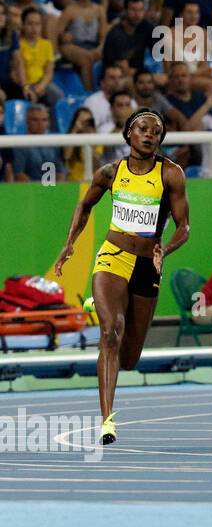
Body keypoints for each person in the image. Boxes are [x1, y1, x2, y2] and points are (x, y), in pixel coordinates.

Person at [53, 110, 191, 445]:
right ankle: (107, 421)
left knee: (129, 359)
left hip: (147, 266)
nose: (149, 135)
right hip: (112, 257)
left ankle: (100, 308)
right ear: (128, 133)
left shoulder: (171, 174)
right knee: (110, 333)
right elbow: (85, 206)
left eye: (156, 132)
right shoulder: (110, 172)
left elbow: (184, 227)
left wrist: (165, 250)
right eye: (143, 129)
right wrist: (70, 242)